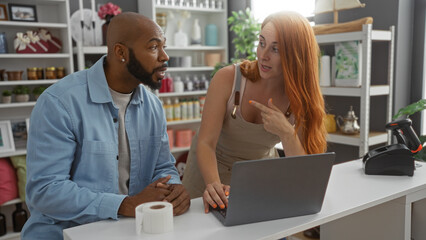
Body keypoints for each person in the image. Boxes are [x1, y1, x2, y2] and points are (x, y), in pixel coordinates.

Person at [22, 12, 190, 239]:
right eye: (153, 47)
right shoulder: (59, 103)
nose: (164, 56)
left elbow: (163, 167)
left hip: (127, 230)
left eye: (164, 46)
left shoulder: (153, 105)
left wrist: (176, 187)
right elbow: (46, 191)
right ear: (121, 52)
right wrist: (125, 205)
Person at [182, 11, 327, 213]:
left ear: (296, 55)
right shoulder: (227, 79)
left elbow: (303, 170)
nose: (263, 55)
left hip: (257, 177)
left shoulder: (301, 99)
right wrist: (213, 186)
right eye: (262, 43)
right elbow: (206, 143)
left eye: (275, 49)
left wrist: (286, 133)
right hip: (209, 173)